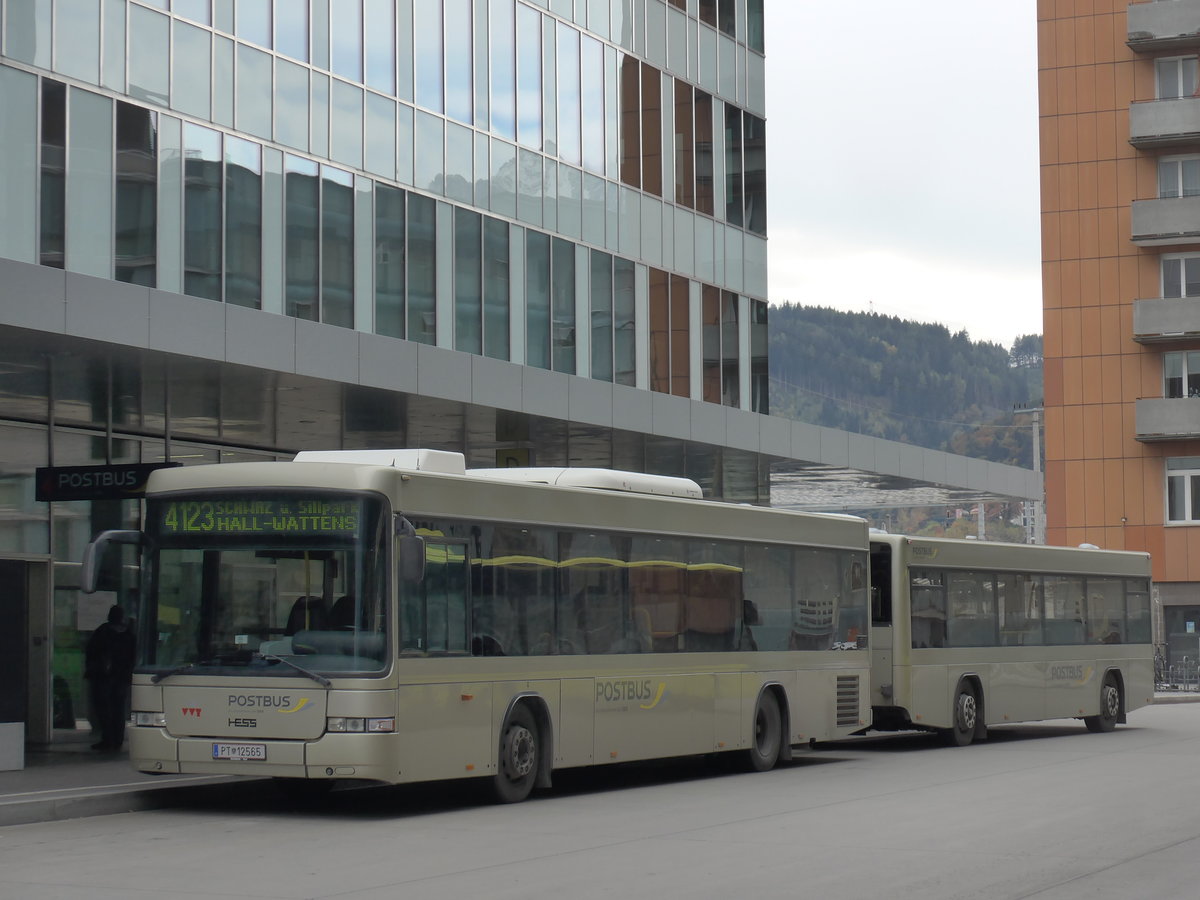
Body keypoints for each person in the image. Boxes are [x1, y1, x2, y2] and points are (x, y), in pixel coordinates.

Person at [84, 605, 136, 751]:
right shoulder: (129, 635)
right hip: (122, 678)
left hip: (103, 678)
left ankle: (108, 738)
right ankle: (117, 739)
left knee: (104, 709)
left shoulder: (103, 632)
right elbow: (133, 657)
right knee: (118, 709)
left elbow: (91, 651)